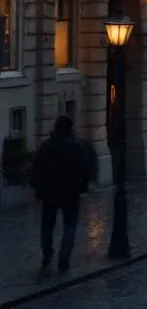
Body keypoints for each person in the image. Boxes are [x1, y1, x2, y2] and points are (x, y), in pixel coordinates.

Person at [30, 115, 90, 272]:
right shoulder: (75, 147)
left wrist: (38, 189)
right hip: (70, 191)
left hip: (49, 192)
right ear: (69, 129)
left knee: (47, 226)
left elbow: (36, 169)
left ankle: (47, 255)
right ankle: (64, 259)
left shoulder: (46, 146)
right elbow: (84, 168)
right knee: (69, 226)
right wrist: (84, 185)